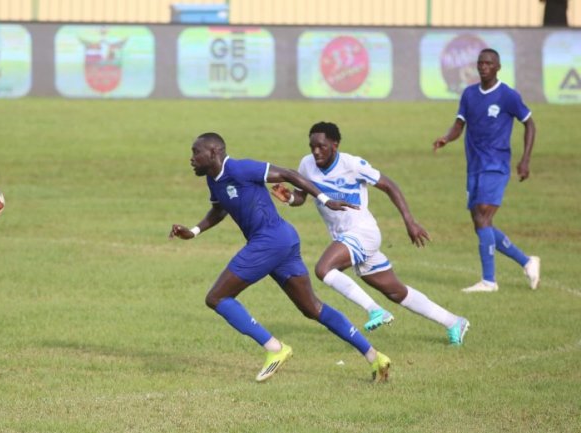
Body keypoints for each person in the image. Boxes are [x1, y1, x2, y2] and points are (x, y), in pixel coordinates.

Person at [169, 132, 391, 383]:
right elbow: (219, 209)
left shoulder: (240, 169)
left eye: (196, 152)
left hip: (269, 241)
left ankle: (275, 348)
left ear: (213, 153)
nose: (191, 159)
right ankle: (375, 356)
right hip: (283, 240)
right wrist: (194, 231)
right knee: (312, 308)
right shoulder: (213, 179)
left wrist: (325, 199)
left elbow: (288, 174)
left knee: (216, 298)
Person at [271, 121, 470, 345]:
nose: (316, 151)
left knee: (324, 269)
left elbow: (389, 185)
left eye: (321, 146)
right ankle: (454, 321)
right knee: (395, 292)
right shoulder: (307, 164)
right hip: (344, 238)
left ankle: (375, 310)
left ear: (335, 145)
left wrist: (409, 221)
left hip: (363, 233)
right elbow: (301, 196)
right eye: (312, 146)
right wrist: (289, 198)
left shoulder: (352, 164)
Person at [433, 48, 540, 293]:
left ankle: (489, 281)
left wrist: (525, 160)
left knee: (483, 215)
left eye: (488, 63)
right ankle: (527, 261)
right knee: (481, 222)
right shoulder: (469, 94)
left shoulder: (508, 96)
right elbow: (459, 124)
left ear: (498, 67)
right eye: (480, 63)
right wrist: (446, 138)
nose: (483, 67)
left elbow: (530, 124)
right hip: (474, 166)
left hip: (496, 164)